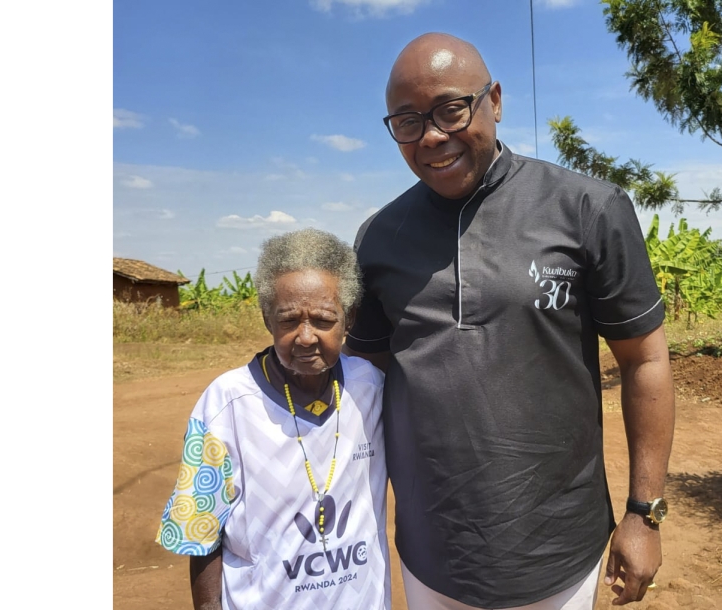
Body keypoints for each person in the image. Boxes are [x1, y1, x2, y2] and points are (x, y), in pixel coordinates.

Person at [344, 33, 676, 609]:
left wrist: (644, 515)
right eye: (406, 121)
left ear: (493, 100)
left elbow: (644, 359)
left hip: (558, 550)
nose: (431, 137)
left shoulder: (587, 209)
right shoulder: (379, 238)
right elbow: (363, 384)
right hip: (429, 551)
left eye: (451, 109)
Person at [155, 228, 391, 610]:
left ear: (350, 320)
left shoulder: (371, 389)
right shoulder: (227, 403)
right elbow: (201, 532)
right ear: (267, 319)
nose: (305, 336)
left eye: (324, 319)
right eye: (288, 320)